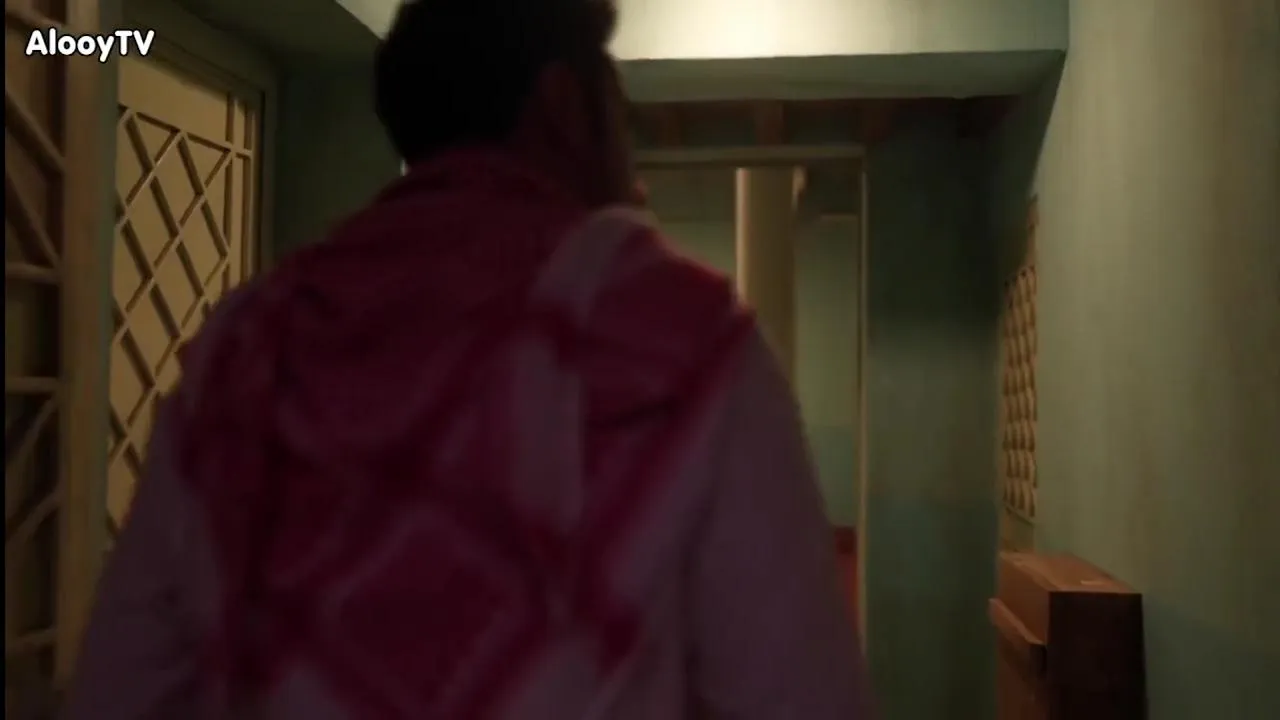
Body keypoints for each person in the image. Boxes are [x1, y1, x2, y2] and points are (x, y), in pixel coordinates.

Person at [62, 0, 874, 718]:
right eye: (620, 116)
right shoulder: (682, 335)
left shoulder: (244, 343)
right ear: (564, 106)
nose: (633, 164)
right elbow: (801, 702)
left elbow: (120, 691)